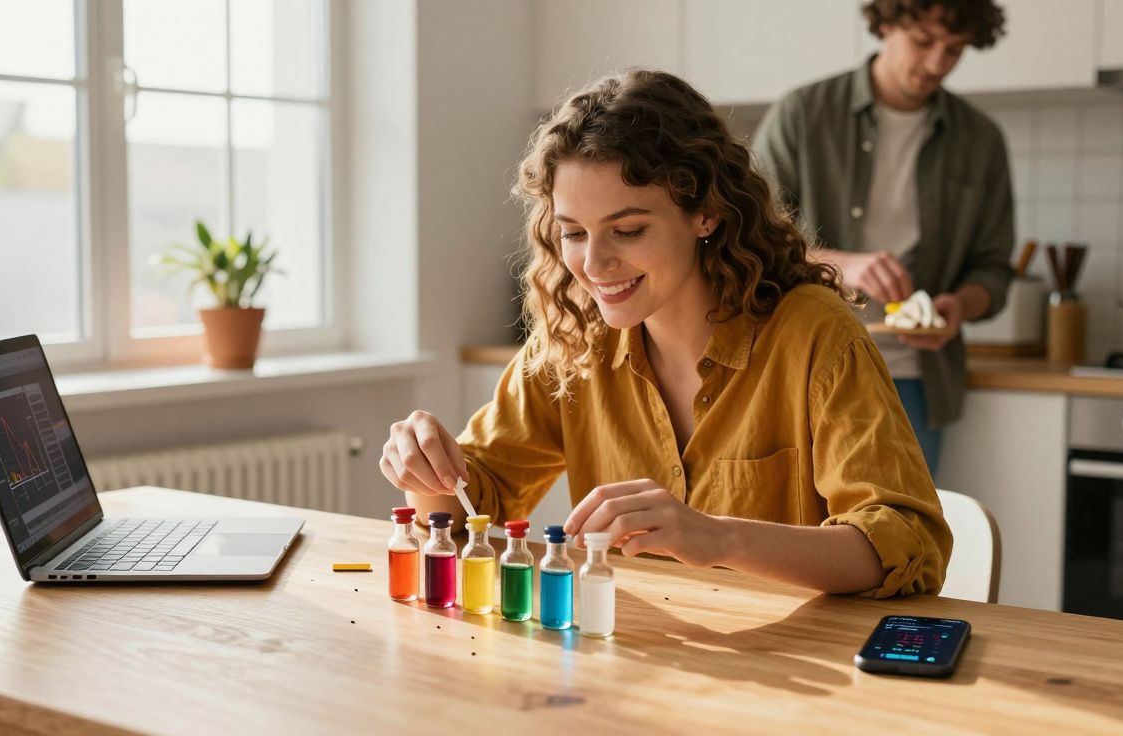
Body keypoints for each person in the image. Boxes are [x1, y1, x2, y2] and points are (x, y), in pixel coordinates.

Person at [381, 70, 949, 597]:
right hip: (635, 659)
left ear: (705, 211)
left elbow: (904, 542)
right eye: (573, 233)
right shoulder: (575, 337)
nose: (595, 264)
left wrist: (716, 537)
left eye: (627, 229)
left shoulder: (815, 336)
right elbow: (468, 505)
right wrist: (425, 466)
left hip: (797, 671)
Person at [753, 0, 1014, 475]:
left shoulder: (980, 141)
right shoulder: (804, 114)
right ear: (887, 23)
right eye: (924, 42)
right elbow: (752, 237)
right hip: (799, 367)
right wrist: (843, 265)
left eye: (954, 50)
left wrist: (960, 307)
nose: (937, 63)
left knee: (905, 540)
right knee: (788, 534)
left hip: (915, 381)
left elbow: (993, 268)